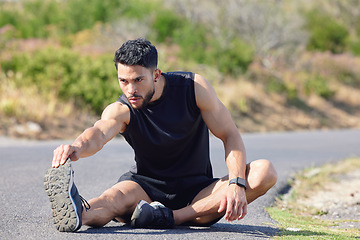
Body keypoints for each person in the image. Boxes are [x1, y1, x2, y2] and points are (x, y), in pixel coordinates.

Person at [44, 38, 277, 232]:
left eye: (138, 80)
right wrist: (76, 146)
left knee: (264, 172)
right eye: (123, 81)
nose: (130, 90)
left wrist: (236, 183)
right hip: (145, 189)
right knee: (112, 199)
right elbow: (98, 133)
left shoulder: (193, 88)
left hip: (198, 193)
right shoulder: (122, 109)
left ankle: (170, 217)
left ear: (156, 74)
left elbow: (230, 135)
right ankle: (77, 214)